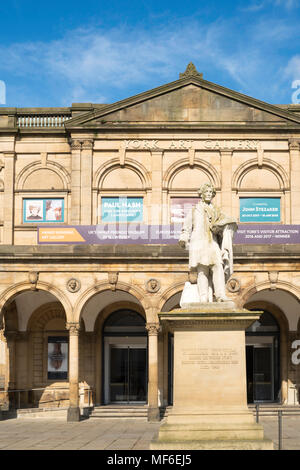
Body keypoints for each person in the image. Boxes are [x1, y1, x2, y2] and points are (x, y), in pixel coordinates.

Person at [179, 182, 237, 303]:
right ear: (202, 194)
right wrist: (184, 237)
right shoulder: (195, 210)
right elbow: (187, 226)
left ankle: (221, 295)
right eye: (207, 192)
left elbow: (228, 221)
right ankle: (203, 297)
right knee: (202, 270)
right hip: (198, 243)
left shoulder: (217, 211)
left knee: (217, 266)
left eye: (211, 192)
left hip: (213, 242)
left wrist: (227, 226)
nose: (209, 194)